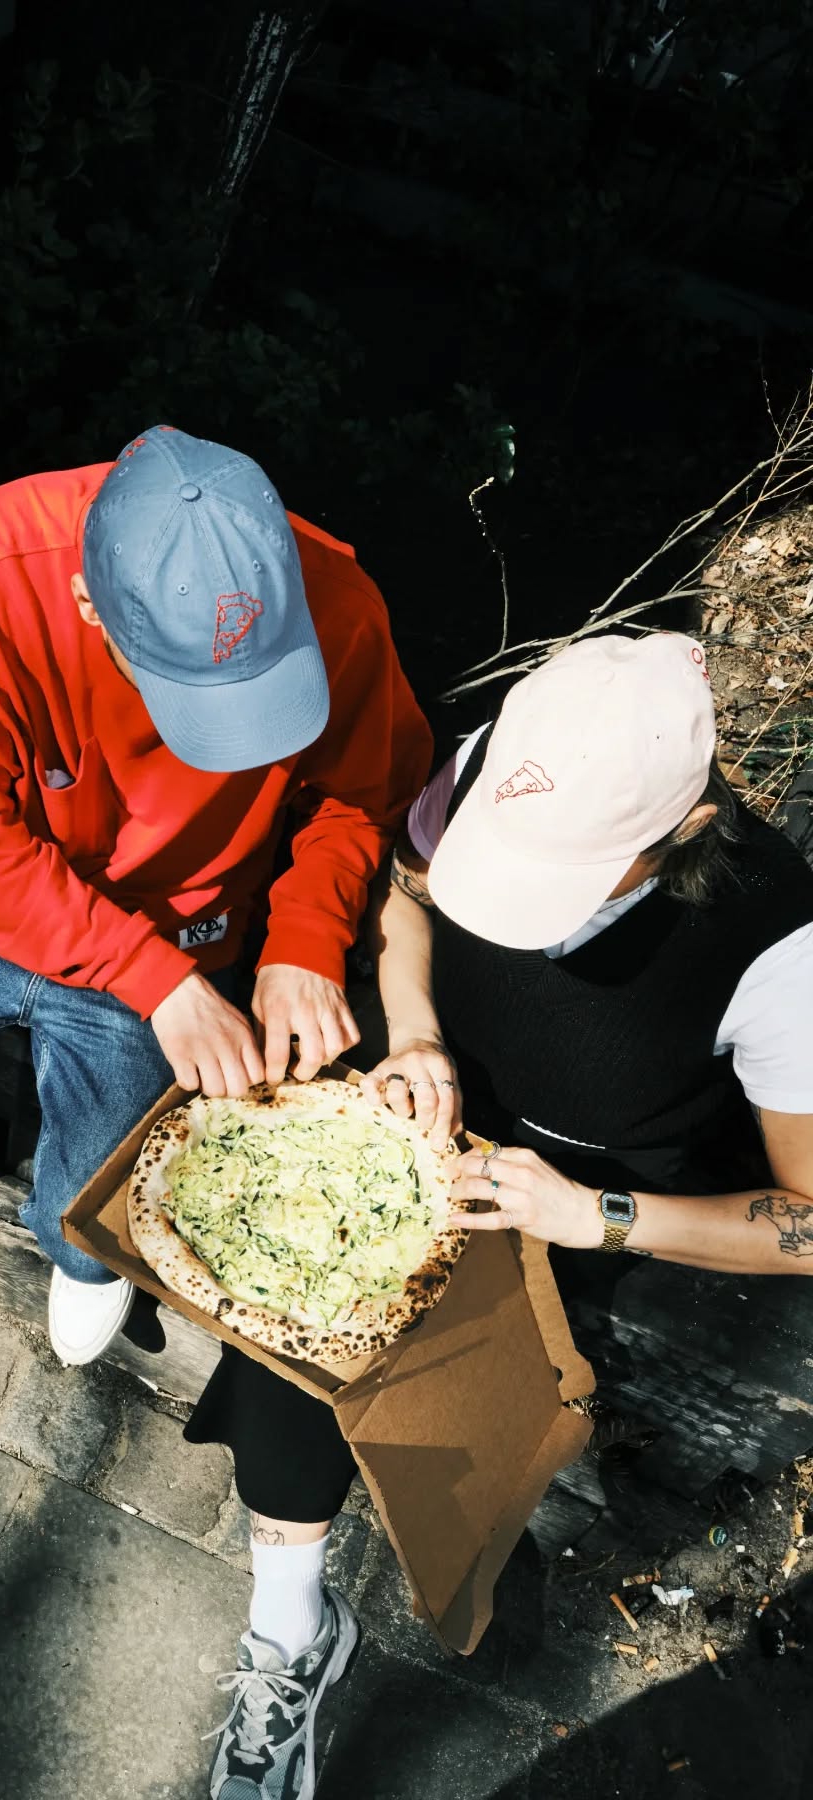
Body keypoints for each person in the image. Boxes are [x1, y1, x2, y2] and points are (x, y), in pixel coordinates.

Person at [0, 422, 431, 1798]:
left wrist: (301, 936)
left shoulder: (332, 593)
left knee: (87, 1235)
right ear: (86, 609)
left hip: (179, 936)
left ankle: (70, 1232)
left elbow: (368, 791)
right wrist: (151, 974)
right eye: (190, 693)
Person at [186, 630, 813, 1799]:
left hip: (589, 1204)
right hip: (424, 1112)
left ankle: (422, 1566)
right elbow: (409, 901)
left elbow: (809, 1218)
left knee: (427, 1361)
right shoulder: (495, 759)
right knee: (285, 1306)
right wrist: (415, 1031)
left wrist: (596, 1214)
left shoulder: (782, 950)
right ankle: (291, 1636)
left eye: (558, 871)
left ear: (681, 833)